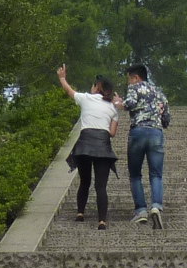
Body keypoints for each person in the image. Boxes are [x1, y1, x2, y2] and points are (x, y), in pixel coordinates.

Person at [56, 63, 119, 229]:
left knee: (84, 181)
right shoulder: (112, 107)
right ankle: (102, 220)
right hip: (103, 147)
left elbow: (69, 91)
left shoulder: (85, 98)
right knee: (101, 186)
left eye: (93, 85)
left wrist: (62, 78)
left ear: (97, 87)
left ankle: (80, 213)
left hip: (84, 146)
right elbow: (112, 133)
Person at [121, 62, 169, 229]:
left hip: (138, 131)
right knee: (156, 174)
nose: (129, 83)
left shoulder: (135, 87)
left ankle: (141, 211)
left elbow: (131, 104)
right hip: (156, 133)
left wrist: (120, 103)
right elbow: (166, 118)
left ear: (136, 77)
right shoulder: (160, 93)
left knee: (135, 174)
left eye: (129, 79)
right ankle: (156, 206)